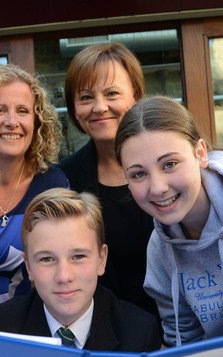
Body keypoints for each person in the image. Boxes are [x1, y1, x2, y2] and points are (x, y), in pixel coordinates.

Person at [115, 95, 223, 347]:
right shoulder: (160, 252)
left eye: (169, 164)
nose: (158, 188)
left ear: (200, 153)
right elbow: (183, 343)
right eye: (138, 174)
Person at [0, 63, 69, 324]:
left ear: (37, 122)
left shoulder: (52, 185)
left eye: (23, 111)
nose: (12, 122)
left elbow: (61, 262)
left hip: (29, 328)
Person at [0, 188, 161, 352]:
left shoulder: (139, 333)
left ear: (101, 259)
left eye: (78, 257)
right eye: (47, 259)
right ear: (29, 266)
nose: (64, 276)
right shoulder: (3, 327)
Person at [58, 42, 159, 321]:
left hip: (180, 329)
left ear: (136, 97)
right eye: (86, 97)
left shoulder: (168, 166)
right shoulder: (64, 179)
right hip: (104, 333)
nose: (100, 107)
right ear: (74, 108)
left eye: (112, 93)